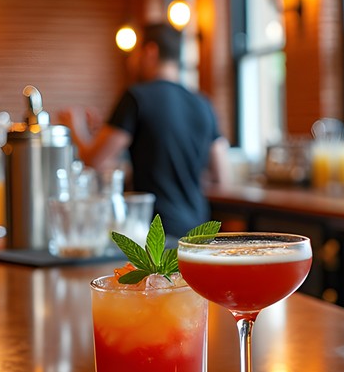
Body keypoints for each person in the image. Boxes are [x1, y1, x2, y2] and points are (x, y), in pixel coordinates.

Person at [58, 22, 231, 239]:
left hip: (156, 232)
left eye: (135, 52)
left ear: (150, 52)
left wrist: (74, 127)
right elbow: (222, 178)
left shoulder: (136, 98)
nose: (132, 60)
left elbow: (93, 160)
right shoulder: (203, 104)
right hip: (198, 231)